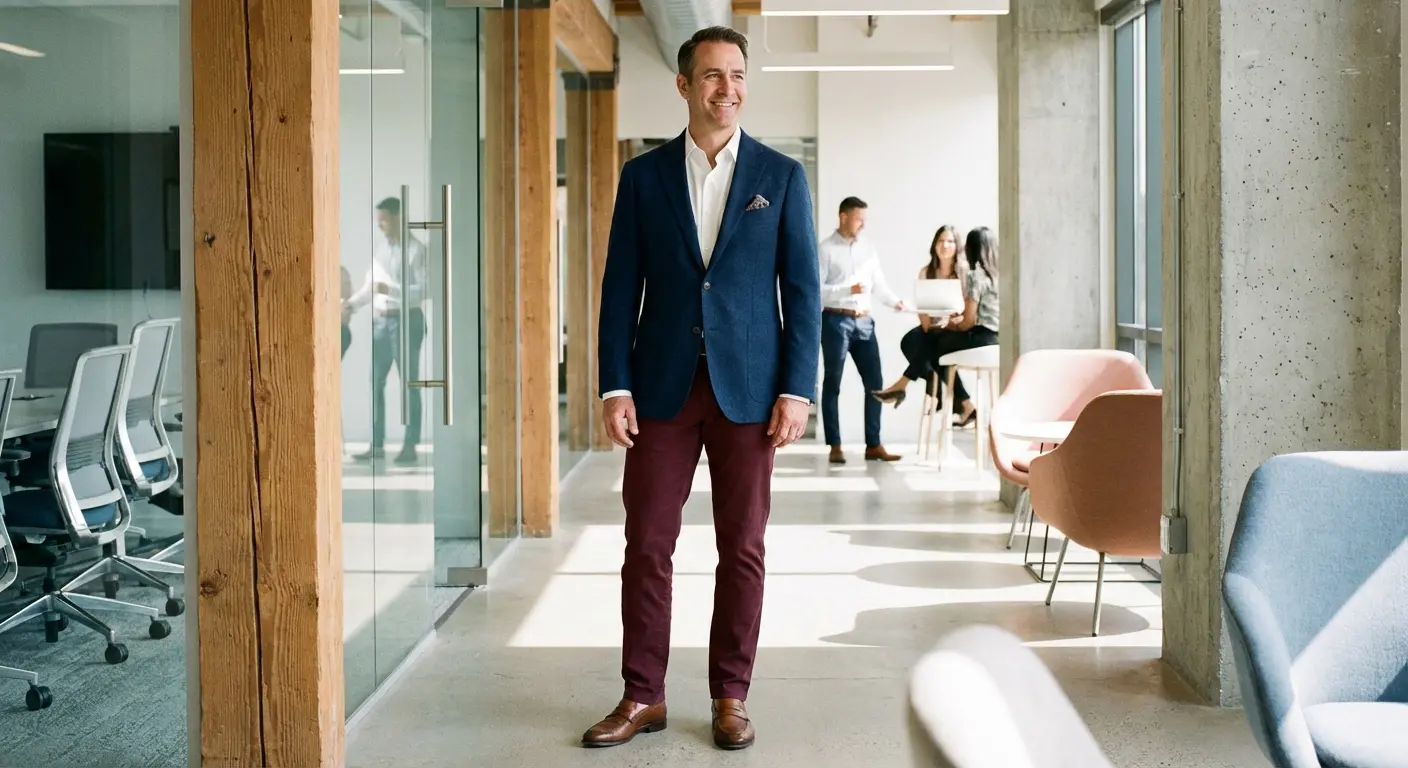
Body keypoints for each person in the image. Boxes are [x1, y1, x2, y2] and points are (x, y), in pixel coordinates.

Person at [586, 25, 821, 752]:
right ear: (684, 85)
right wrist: (613, 386)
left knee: (742, 548)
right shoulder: (644, 177)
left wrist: (797, 390)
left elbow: (803, 293)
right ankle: (642, 694)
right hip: (660, 389)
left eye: (739, 75)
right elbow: (620, 287)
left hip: (749, 393)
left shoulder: (780, 178)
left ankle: (731, 694)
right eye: (713, 76)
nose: (729, 89)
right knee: (646, 545)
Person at [818, 196, 906, 464]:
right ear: (843, 217)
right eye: (859, 219)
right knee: (833, 382)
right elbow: (816, 290)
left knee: (875, 384)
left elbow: (878, 284)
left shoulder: (868, 248)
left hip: (864, 322)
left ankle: (873, 444)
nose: (863, 226)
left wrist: (895, 302)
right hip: (835, 321)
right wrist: (847, 289)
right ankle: (835, 445)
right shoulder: (825, 249)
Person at [343, 197, 428, 465]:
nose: (379, 223)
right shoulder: (381, 250)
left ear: (398, 217)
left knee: (409, 386)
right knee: (375, 384)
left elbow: (426, 289)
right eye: (378, 218)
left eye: (384, 218)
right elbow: (371, 287)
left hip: (407, 320)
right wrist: (350, 307)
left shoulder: (417, 250)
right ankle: (376, 445)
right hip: (381, 322)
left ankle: (410, 446)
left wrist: (391, 290)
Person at [872, 225, 971, 418]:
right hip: (934, 329)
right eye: (941, 241)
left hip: (956, 328)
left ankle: (904, 385)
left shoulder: (964, 272)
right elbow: (924, 310)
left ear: (957, 245)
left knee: (931, 344)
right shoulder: (926, 272)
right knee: (910, 341)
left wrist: (952, 320)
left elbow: (968, 311)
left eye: (950, 241)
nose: (945, 245)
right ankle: (962, 402)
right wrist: (928, 323)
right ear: (934, 245)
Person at [926, 226, 1001, 424]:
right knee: (935, 346)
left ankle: (961, 403)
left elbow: (968, 321)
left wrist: (950, 325)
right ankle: (964, 405)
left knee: (932, 344)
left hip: (982, 337)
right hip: (999, 340)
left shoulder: (976, 275)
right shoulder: (1000, 276)